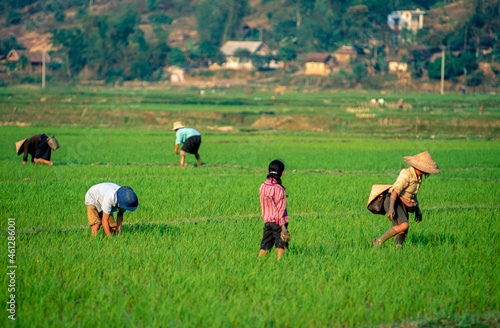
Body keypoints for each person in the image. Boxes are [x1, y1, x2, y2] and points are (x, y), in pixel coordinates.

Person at [372, 151, 440, 249]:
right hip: (394, 201)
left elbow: (413, 195)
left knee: (403, 231)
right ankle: (379, 241)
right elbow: (395, 191)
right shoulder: (406, 174)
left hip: (404, 202)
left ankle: (398, 249)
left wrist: (418, 210)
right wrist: (391, 209)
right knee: (404, 225)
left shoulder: (418, 177)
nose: (427, 172)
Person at [258, 160, 291, 260]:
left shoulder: (263, 186)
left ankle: (258, 265)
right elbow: (281, 210)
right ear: (282, 173)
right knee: (281, 247)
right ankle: (281, 267)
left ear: (268, 171)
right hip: (278, 223)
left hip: (267, 222)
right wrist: (283, 228)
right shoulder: (279, 189)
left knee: (265, 247)